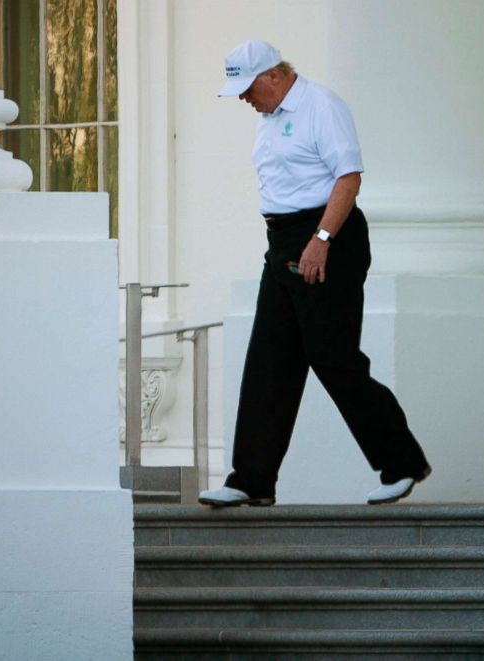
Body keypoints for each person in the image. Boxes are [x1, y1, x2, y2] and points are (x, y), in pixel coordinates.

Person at [198, 40, 431, 507]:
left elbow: (348, 178)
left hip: (328, 237)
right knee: (269, 360)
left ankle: (402, 462)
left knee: (333, 357)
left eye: (248, 87)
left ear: (274, 76)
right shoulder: (269, 118)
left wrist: (320, 241)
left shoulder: (321, 105)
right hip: (282, 242)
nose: (244, 98)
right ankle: (252, 480)